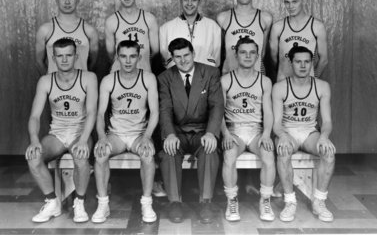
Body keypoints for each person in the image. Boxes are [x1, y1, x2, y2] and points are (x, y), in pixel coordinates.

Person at [25, 38, 98, 223]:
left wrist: (83, 140)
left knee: (81, 156)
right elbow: (34, 116)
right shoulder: (45, 81)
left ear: (76, 56)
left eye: (68, 55)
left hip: (80, 132)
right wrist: (34, 140)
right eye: (60, 56)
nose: (64, 60)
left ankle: (79, 203)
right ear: (53, 57)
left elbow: (91, 112)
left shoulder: (89, 78)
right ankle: (52, 202)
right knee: (33, 157)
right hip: (57, 134)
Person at [92, 40, 159, 224]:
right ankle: (103, 204)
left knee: (148, 154)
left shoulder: (148, 78)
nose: (128, 61)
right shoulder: (108, 80)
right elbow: (99, 114)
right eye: (123, 56)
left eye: (132, 56)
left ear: (139, 57)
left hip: (139, 134)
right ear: (117, 57)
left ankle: (146, 202)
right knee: (100, 153)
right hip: (117, 135)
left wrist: (146, 137)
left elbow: (155, 112)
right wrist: (102, 137)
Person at [157, 38, 224, 224]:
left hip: (203, 131)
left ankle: (206, 201)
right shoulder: (165, 78)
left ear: (193, 53)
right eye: (177, 57)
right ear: (172, 58)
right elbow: (165, 109)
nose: (183, 60)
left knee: (210, 150)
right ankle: (175, 202)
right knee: (168, 151)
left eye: (186, 55)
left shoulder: (210, 72)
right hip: (177, 131)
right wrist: (169, 134)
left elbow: (216, 106)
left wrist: (211, 132)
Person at [272, 46, 335, 222]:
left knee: (328, 152)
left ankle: (319, 202)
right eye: (298, 62)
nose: (302, 66)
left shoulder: (322, 86)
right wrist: (283, 136)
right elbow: (276, 124)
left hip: (309, 132)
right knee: (283, 150)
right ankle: (290, 202)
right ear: (291, 63)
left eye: (307, 62)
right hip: (287, 132)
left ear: (311, 64)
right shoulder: (280, 87)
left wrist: (324, 137)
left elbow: (327, 121)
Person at [221, 37, 275, 222]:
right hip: (234, 130)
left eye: (252, 52)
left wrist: (267, 134)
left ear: (257, 56)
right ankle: (232, 200)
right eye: (243, 52)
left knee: (268, 153)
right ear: (236, 55)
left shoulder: (265, 82)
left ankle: (265, 200)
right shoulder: (225, 80)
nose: (248, 56)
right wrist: (226, 134)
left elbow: (268, 112)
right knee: (229, 155)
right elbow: (218, 112)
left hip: (255, 130)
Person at [35, 0, 99, 74]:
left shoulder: (89, 31)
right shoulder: (45, 30)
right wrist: (52, 82)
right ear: (56, 0)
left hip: (81, 87)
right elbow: (39, 62)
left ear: (77, 0)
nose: (67, 2)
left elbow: (93, 63)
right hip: (54, 87)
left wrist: (82, 79)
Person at [217, 0, 273, 75]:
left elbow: (263, 52)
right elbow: (221, 52)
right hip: (229, 76)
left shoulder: (265, 18)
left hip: (256, 76)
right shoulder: (223, 18)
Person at [270, 0, 328, 82]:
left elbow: (324, 60)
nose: (290, 6)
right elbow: (274, 59)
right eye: (287, 2)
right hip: (283, 84)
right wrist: (282, 72)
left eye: (295, 2)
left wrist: (312, 79)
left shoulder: (317, 27)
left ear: (304, 1)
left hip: (307, 86)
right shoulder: (278, 27)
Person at [159, 0, 221, 68]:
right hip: (176, 78)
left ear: (199, 1)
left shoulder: (213, 27)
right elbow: (165, 61)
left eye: (193, 0)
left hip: (205, 78)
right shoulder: (165, 28)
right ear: (181, 0)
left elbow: (216, 61)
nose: (189, 3)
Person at [105, 0, 159, 72]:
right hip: (119, 75)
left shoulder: (149, 19)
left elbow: (155, 51)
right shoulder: (111, 21)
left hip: (144, 74)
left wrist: (143, 63)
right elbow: (110, 54)